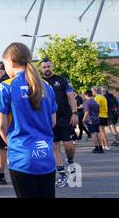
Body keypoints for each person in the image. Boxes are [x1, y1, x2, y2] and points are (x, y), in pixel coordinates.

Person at [0, 43, 57, 198]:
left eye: (4, 64)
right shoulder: (46, 85)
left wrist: (11, 143)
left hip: (22, 156)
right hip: (46, 155)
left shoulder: (5, 86)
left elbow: (1, 125)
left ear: (11, 62)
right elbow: (52, 121)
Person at [40, 58, 78, 188]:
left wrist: (74, 113)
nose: (46, 69)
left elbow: (71, 97)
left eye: (48, 66)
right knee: (54, 146)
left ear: (52, 66)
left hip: (65, 117)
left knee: (68, 146)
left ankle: (70, 160)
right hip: (49, 119)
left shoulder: (62, 80)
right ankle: (62, 175)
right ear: (41, 69)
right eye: (44, 67)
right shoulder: (39, 82)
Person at [93, 86, 109, 151]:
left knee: (101, 132)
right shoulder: (103, 96)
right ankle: (104, 145)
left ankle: (106, 145)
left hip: (100, 115)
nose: (92, 92)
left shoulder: (97, 97)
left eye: (92, 91)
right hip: (104, 115)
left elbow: (97, 106)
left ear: (95, 91)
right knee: (102, 131)